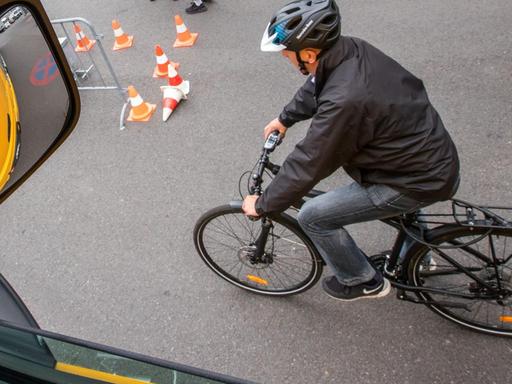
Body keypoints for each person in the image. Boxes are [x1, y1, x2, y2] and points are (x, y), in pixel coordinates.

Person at [242, 0, 460, 301]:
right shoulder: (351, 51)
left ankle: (362, 280)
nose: (287, 60)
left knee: (313, 216)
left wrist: (265, 204)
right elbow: (317, 83)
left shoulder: (345, 100)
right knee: (402, 207)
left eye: (287, 55)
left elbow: (311, 160)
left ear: (307, 53)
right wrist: (286, 117)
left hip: (411, 177)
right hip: (426, 155)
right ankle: (420, 255)